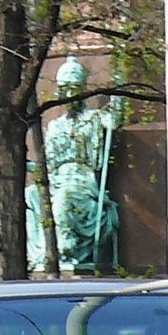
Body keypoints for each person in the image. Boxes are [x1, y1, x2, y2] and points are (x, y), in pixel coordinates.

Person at [44, 56, 121, 268]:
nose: (69, 94)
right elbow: (48, 162)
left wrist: (119, 92)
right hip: (57, 178)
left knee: (66, 197)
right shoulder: (54, 126)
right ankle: (48, 253)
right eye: (65, 89)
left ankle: (66, 246)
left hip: (82, 179)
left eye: (74, 89)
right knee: (33, 195)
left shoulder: (94, 117)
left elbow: (115, 121)